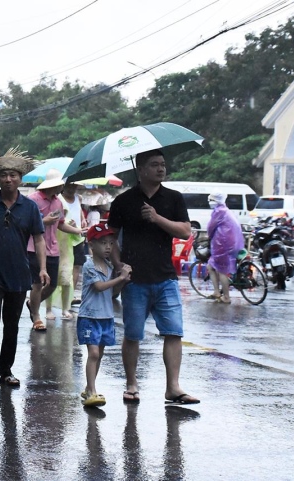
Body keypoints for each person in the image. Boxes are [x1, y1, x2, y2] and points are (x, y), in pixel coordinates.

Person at [108, 149, 200, 405]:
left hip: (165, 277)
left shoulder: (173, 198)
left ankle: (173, 387)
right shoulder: (123, 201)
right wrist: (119, 265)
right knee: (133, 334)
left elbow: (184, 231)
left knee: (173, 332)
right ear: (141, 169)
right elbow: (110, 238)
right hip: (134, 280)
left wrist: (157, 218)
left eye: (163, 164)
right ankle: (131, 384)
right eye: (154, 165)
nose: (161, 169)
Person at [0, 147, 46, 391]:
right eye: (3, 175)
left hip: (19, 273)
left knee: (12, 324)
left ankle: (6, 371)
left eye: (13, 175)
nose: (8, 179)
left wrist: (42, 269)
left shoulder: (30, 207)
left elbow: (40, 238)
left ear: (20, 179)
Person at [77, 223, 132, 407]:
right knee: (93, 353)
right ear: (91, 245)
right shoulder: (89, 265)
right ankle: (91, 391)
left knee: (98, 354)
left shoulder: (109, 266)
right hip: (90, 316)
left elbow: (112, 291)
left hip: (105, 316)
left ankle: (89, 387)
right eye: (103, 243)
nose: (108, 247)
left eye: (110, 243)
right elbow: (99, 287)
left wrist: (123, 281)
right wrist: (120, 278)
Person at [25, 169, 85, 331]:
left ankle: (32, 304)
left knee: (52, 284)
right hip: (34, 248)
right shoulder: (33, 200)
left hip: (53, 248)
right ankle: (36, 316)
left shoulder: (58, 202)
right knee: (37, 283)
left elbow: (61, 224)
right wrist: (44, 220)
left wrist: (78, 231)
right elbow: (24, 223)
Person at [45, 182, 85, 321]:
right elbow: (58, 222)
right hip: (55, 243)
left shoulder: (78, 199)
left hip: (72, 241)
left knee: (67, 278)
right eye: (70, 184)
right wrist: (71, 226)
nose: (72, 187)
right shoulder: (57, 201)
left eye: (75, 184)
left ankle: (65, 308)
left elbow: (76, 217)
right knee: (51, 279)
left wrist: (79, 227)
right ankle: (48, 309)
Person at [206, 192, 245, 304]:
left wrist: (209, 236)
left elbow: (210, 227)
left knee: (221, 270)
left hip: (222, 245)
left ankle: (226, 297)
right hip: (232, 244)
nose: (210, 203)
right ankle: (216, 292)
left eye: (212, 200)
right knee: (210, 265)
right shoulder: (226, 211)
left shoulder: (219, 211)